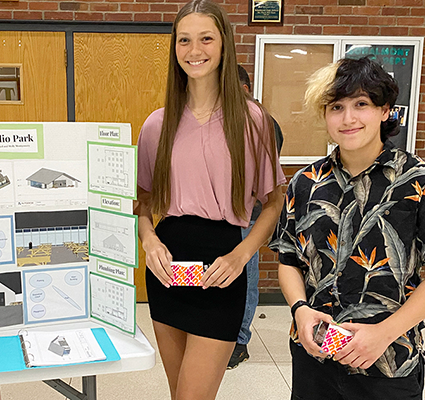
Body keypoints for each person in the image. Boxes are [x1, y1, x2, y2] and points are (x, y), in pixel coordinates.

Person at [270, 57, 425, 399]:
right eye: (336, 107)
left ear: (385, 110)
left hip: (388, 360)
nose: (348, 118)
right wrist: (299, 310)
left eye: (361, 104)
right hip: (315, 358)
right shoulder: (306, 183)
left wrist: (384, 334)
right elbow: (288, 262)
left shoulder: (421, 182)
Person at [135, 1, 286, 398]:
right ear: (174, 48)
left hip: (221, 267)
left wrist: (242, 256)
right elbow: (143, 200)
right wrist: (148, 240)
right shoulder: (156, 124)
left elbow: (273, 201)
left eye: (206, 38)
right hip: (167, 271)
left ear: (224, 45)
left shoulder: (252, 121)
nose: (194, 49)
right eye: (184, 40)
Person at [227, 64, 285, 369]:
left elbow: (263, 176)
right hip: (223, 217)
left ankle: (240, 341)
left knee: (245, 278)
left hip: (249, 216)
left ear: (245, 89)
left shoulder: (261, 121)